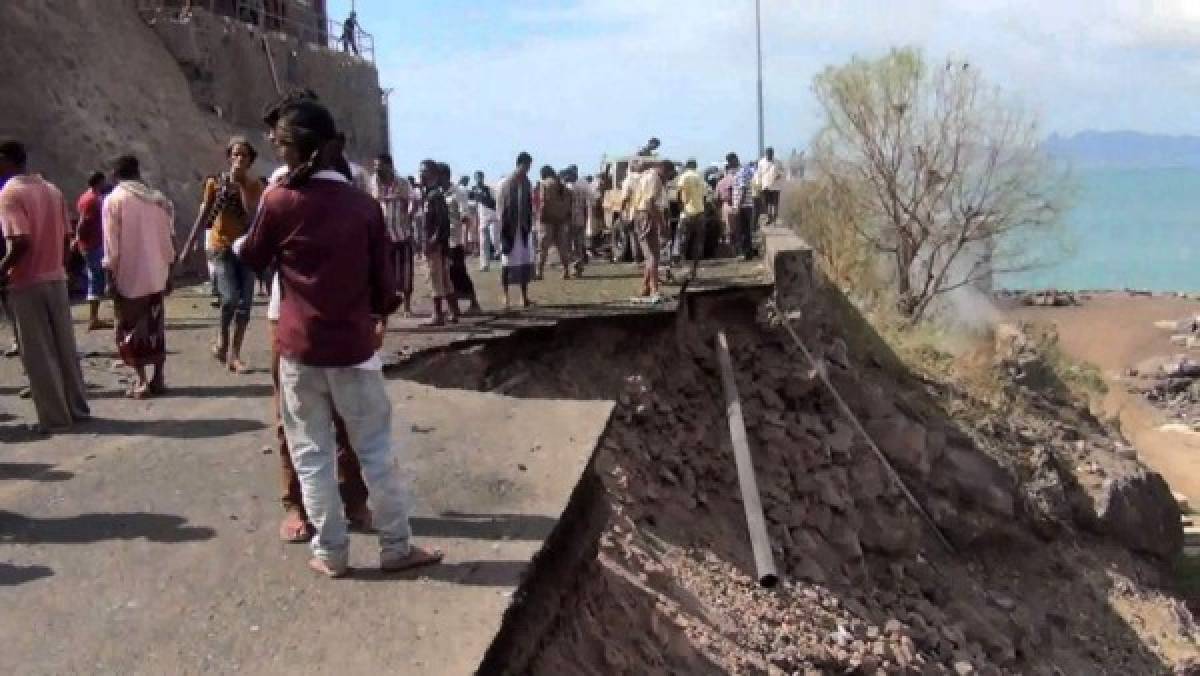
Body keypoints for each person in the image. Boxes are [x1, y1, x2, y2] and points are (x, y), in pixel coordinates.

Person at [238, 99, 442, 578]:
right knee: (374, 451)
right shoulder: (363, 206)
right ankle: (396, 546)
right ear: (334, 147)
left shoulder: (278, 200)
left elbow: (252, 256)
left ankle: (331, 553)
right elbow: (385, 292)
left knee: (311, 451)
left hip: (298, 349)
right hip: (353, 348)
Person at [0, 141, 90, 431]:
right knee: (65, 348)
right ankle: (77, 409)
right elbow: (67, 238)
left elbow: (20, 240)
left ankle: (54, 418)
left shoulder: (10, 193)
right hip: (56, 278)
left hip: (27, 282)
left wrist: (3, 269)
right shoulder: (52, 190)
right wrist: (60, 266)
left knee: (38, 352)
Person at [182, 138, 264, 374]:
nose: (239, 159)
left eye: (244, 156)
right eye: (236, 154)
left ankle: (235, 355)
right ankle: (223, 340)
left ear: (249, 161)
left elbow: (252, 218)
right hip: (221, 247)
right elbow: (205, 213)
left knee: (245, 305)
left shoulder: (254, 185)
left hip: (246, 248)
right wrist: (189, 245)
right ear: (229, 157)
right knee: (229, 299)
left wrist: (240, 188)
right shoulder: (215, 182)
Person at [103, 155, 176, 399]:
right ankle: (159, 378)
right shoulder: (158, 200)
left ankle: (142, 381)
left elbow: (111, 246)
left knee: (131, 329)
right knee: (155, 327)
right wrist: (169, 272)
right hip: (156, 274)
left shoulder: (115, 200)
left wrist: (109, 276)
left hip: (129, 276)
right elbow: (168, 240)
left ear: (115, 174)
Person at [369, 153, 414, 317]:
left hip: (402, 234)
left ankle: (407, 306)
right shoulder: (373, 182)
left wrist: (408, 216)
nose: (377, 169)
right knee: (384, 272)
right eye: (375, 166)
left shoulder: (402, 182)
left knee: (405, 272)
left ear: (389, 166)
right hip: (382, 236)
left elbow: (412, 201)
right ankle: (385, 305)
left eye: (380, 166)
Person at [420, 160, 459, 326]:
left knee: (435, 278)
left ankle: (438, 315)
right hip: (439, 243)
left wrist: (432, 241)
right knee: (444, 278)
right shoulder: (431, 193)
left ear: (433, 174)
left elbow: (442, 221)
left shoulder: (434, 195)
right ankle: (453, 311)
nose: (421, 174)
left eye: (424, 172)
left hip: (435, 244)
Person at [497, 152, 535, 309]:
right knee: (507, 264)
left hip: (523, 228)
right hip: (509, 229)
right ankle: (506, 297)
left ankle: (524, 297)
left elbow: (529, 204)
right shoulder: (505, 184)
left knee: (524, 263)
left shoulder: (527, 184)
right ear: (519, 164)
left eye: (529, 166)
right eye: (526, 165)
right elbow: (500, 207)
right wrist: (502, 227)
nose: (527, 169)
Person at [75, 171, 112, 331]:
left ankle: (95, 317)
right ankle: (93, 318)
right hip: (93, 245)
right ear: (100, 182)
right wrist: (80, 240)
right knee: (96, 279)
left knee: (96, 277)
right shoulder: (92, 200)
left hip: (92, 244)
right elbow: (83, 223)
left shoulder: (86, 197)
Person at [443, 164, 481, 315]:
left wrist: (465, 240)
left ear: (444, 175)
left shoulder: (458, 192)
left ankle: (474, 303)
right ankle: (454, 307)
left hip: (456, 239)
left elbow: (465, 217)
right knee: (449, 274)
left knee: (459, 272)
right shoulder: (441, 193)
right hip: (445, 239)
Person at [632, 160, 668, 300]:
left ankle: (646, 286)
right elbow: (650, 203)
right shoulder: (654, 178)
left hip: (640, 214)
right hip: (647, 214)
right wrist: (661, 224)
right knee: (653, 255)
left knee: (652, 254)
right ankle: (654, 289)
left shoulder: (644, 176)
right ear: (664, 170)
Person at [535, 165, 574, 280]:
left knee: (543, 248)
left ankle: (539, 272)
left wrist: (540, 217)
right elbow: (569, 202)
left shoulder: (545, 185)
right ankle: (566, 270)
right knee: (562, 247)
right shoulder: (562, 185)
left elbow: (543, 203)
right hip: (561, 220)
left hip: (547, 220)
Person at [675, 159, 708, 280]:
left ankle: (683, 267)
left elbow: (679, 194)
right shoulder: (700, 177)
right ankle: (694, 270)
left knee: (683, 241)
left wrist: (681, 208)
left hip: (687, 212)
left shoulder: (684, 176)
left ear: (687, 166)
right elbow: (704, 196)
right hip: (700, 213)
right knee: (698, 242)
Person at [470, 171, 498, 272]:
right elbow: (472, 203)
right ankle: (484, 265)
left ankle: (502, 257)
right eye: (476, 177)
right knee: (483, 243)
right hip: (482, 218)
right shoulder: (473, 190)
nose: (478, 179)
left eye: (480, 177)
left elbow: (495, 202)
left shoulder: (488, 189)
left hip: (493, 216)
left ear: (483, 178)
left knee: (495, 240)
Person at [732, 154, 758, 259]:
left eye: (730, 162)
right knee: (746, 231)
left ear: (734, 161)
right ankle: (748, 253)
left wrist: (738, 206)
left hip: (743, 206)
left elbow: (742, 190)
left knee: (743, 230)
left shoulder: (741, 172)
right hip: (747, 205)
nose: (730, 165)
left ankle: (745, 253)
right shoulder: (744, 170)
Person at [565, 166, 589, 276]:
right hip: (581, 218)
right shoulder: (582, 187)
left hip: (571, 219)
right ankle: (579, 267)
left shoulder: (569, 188)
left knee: (569, 245)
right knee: (579, 245)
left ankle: (576, 264)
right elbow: (586, 203)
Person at [757, 147, 785, 224]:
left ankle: (775, 218)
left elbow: (783, 171)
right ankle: (769, 218)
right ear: (766, 154)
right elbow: (759, 174)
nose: (769, 155)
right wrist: (759, 185)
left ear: (773, 154)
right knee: (767, 203)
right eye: (768, 154)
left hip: (776, 186)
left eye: (771, 154)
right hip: (765, 185)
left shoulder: (778, 162)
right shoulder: (761, 162)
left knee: (775, 203)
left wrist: (779, 175)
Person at [716, 154, 738, 252]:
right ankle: (737, 249)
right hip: (736, 205)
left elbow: (717, 198)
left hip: (726, 206)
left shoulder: (721, 182)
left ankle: (731, 250)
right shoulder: (737, 178)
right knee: (737, 229)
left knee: (728, 229)